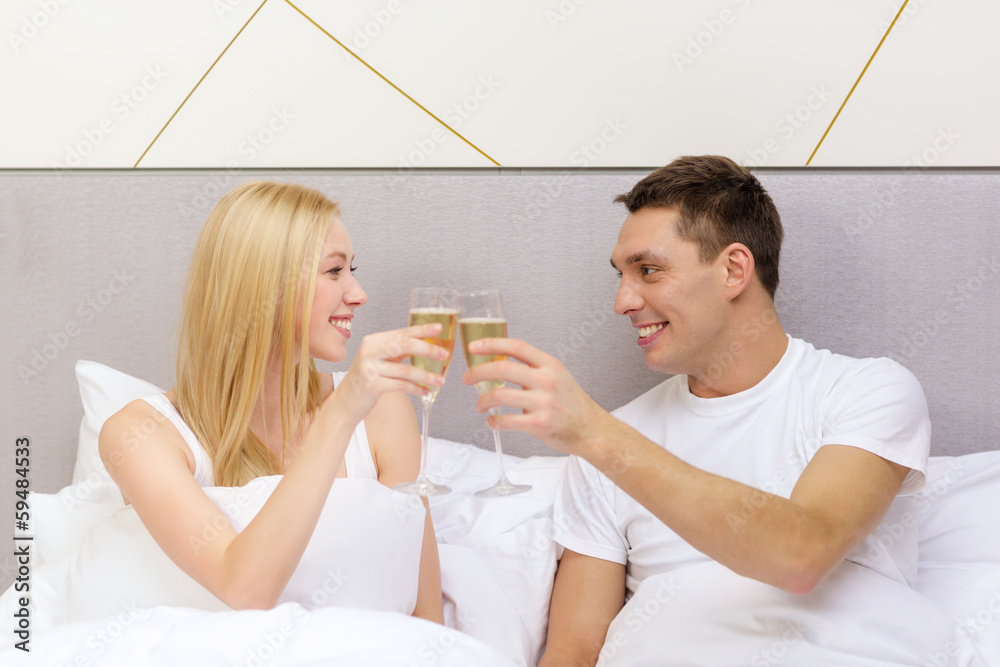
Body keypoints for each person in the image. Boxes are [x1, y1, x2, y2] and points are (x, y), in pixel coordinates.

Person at [463, 156, 953, 665]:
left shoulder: (865, 390)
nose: (622, 302)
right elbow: (575, 650)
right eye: (621, 275)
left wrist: (594, 434)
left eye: (648, 270)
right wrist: (598, 440)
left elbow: (804, 556)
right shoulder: (610, 442)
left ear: (734, 270)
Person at [99, 180, 446, 621]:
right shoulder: (139, 435)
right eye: (335, 271)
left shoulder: (381, 412)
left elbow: (427, 618)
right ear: (265, 288)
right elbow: (244, 588)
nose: (358, 294)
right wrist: (341, 413)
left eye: (353, 270)